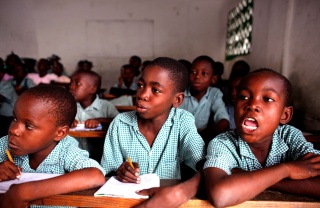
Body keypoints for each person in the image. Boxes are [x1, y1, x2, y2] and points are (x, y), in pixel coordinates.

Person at [204, 68, 320, 208]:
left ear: (285, 115)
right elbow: (221, 195)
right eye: (244, 97)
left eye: (267, 99)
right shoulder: (223, 143)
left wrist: (249, 175)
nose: (252, 105)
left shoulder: (290, 136)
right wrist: (287, 170)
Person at [101, 57, 205, 207]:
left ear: (177, 100)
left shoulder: (183, 121)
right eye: (141, 85)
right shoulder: (120, 123)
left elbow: (201, 162)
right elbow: (107, 171)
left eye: (155, 90)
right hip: (126, 202)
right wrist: (121, 172)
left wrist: (184, 190)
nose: (142, 95)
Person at [0, 85, 106, 208]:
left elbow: (95, 175)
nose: (14, 130)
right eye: (14, 119)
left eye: (29, 126)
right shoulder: (5, 144)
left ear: (59, 133)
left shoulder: (66, 150)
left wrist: (24, 192)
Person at [179, 55, 230, 145]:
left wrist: (203, 134)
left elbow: (223, 121)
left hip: (203, 139)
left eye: (204, 73)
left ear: (213, 79)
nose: (197, 76)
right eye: (193, 72)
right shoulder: (180, 93)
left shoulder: (214, 93)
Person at [69, 70, 119, 160]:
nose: (71, 86)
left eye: (77, 83)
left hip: (100, 158)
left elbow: (119, 121)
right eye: (71, 82)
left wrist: (99, 121)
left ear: (92, 89)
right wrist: (68, 121)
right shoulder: (69, 106)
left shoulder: (106, 106)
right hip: (75, 157)